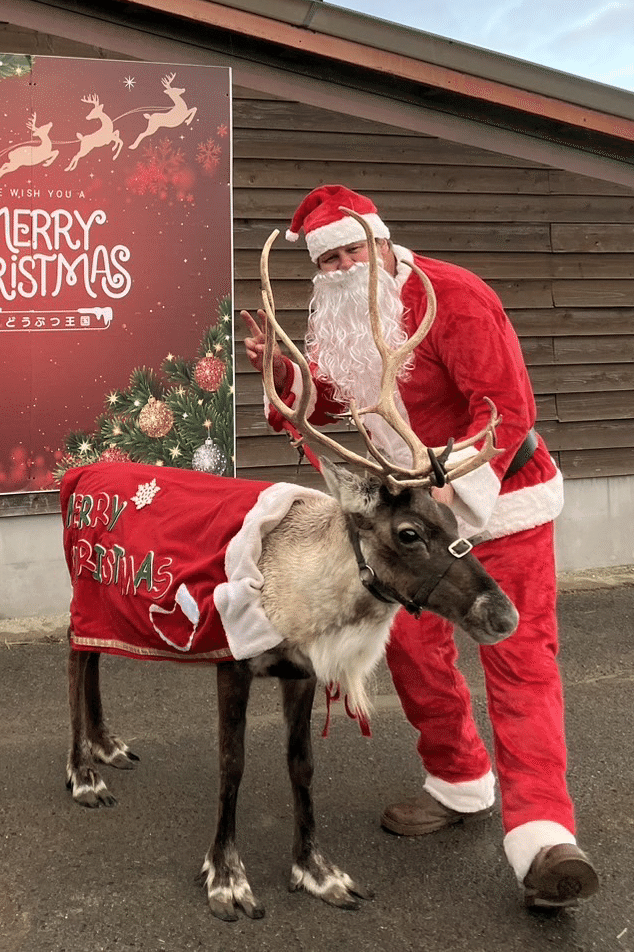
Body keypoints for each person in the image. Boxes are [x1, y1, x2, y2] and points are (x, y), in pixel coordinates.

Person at [242, 184, 600, 911]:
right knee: (410, 652)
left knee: (518, 655)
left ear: (379, 241)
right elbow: (333, 399)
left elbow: (502, 406)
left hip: (501, 508)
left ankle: (543, 836)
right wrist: (281, 374)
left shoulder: (457, 297)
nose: (342, 265)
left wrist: (448, 493)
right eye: (328, 258)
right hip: (407, 525)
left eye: (351, 249)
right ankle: (460, 779)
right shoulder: (337, 318)